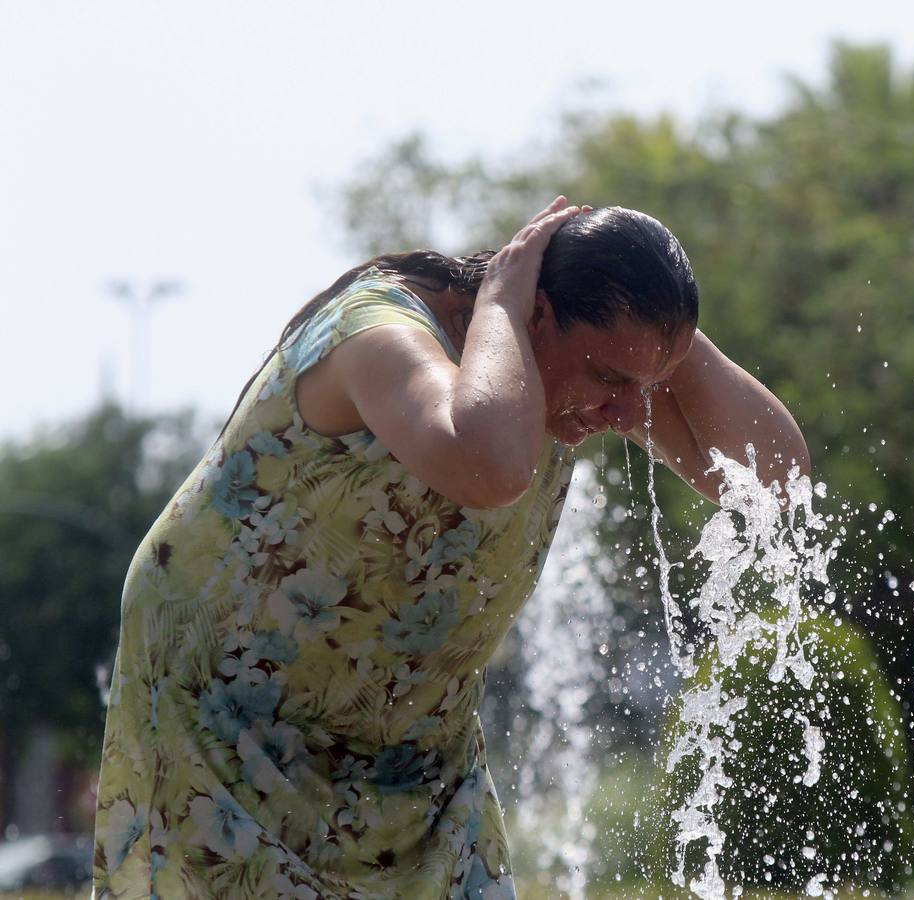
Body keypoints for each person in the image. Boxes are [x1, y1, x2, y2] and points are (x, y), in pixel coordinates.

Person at [91, 197, 810, 898]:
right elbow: (487, 464)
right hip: (226, 718)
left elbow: (775, 476)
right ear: (536, 314)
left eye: (643, 383)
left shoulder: (575, 372)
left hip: (411, 740)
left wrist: (667, 339)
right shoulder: (377, 332)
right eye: (610, 378)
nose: (624, 410)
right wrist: (501, 300)